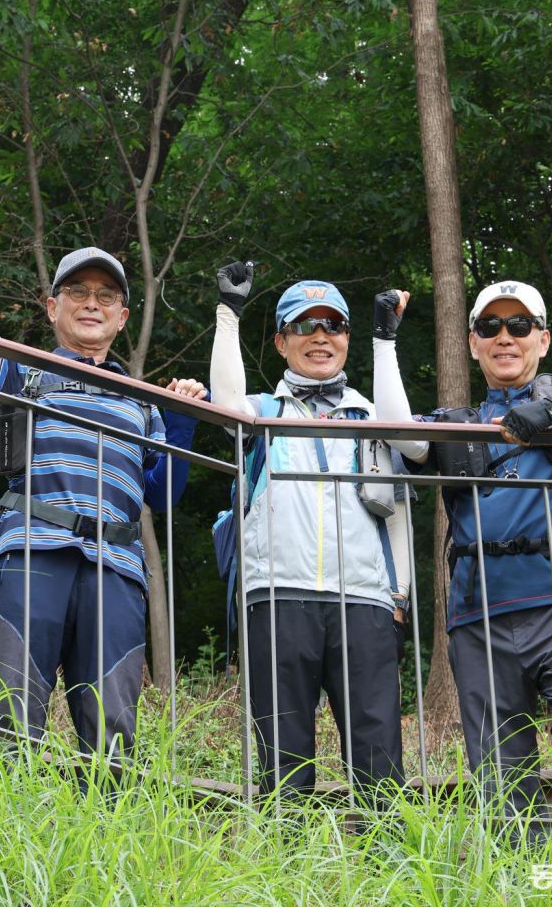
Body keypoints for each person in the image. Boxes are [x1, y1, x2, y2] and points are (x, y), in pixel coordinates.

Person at [0, 177, 207, 759]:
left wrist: (182, 423)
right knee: (13, 718)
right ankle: (8, 816)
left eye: (106, 295)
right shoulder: (20, 370)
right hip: (33, 550)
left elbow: (161, 497)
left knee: (112, 735)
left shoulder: (143, 402)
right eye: (77, 291)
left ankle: (105, 819)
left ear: (122, 317)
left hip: (117, 569)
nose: (91, 303)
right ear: (53, 307)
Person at [372, 281, 552, 820]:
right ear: (473, 342)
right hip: (478, 615)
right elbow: (400, 434)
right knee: (498, 755)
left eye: (519, 326)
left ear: (542, 340)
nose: (505, 337)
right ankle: (516, 862)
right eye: (490, 327)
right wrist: (384, 342)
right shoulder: (457, 423)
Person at [210, 262, 417, 796]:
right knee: (283, 765)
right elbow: (226, 404)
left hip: (366, 602)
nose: (320, 336)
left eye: (334, 325)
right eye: (305, 325)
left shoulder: (373, 414)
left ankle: (388, 851)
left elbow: (397, 513)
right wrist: (229, 313)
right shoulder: (260, 411)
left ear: (348, 338)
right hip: (278, 597)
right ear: (281, 342)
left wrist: (399, 598)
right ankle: (282, 852)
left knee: (380, 767)